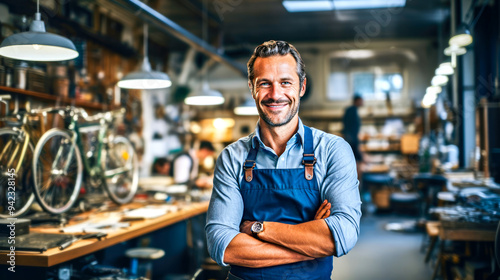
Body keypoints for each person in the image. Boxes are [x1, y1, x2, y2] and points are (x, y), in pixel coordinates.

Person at [206, 40, 361, 279]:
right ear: (252, 88)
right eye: (264, 83)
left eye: (286, 82)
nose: (275, 94)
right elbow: (222, 246)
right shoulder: (231, 158)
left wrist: (258, 228)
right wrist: (310, 247)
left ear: (302, 87)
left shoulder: (333, 150)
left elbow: (342, 234)